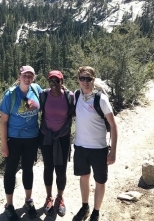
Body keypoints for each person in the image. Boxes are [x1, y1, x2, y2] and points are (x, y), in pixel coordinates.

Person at [72, 66, 118, 221]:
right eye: (82, 78)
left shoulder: (101, 99)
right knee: (84, 177)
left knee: (99, 180)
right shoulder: (77, 95)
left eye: (88, 78)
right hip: (80, 146)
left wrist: (113, 151)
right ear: (78, 80)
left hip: (98, 148)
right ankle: (85, 206)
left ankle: (96, 212)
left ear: (93, 79)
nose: (85, 82)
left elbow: (113, 125)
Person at [0, 65, 42, 221]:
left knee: (28, 169)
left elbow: (50, 99)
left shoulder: (36, 90)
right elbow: (3, 122)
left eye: (30, 75)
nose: (27, 78)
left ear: (34, 77)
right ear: (19, 76)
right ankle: (9, 205)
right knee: (10, 171)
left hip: (32, 138)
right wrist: (4, 144)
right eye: (25, 75)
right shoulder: (10, 95)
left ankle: (28, 200)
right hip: (14, 139)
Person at [39, 70, 74, 217]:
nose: (53, 84)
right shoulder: (44, 95)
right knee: (48, 167)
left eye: (57, 81)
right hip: (46, 136)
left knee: (61, 169)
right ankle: (49, 197)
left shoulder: (69, 96)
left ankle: (60, 197)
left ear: (62, 82)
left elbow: (75, 111)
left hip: (63, 137)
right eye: (51, 81)